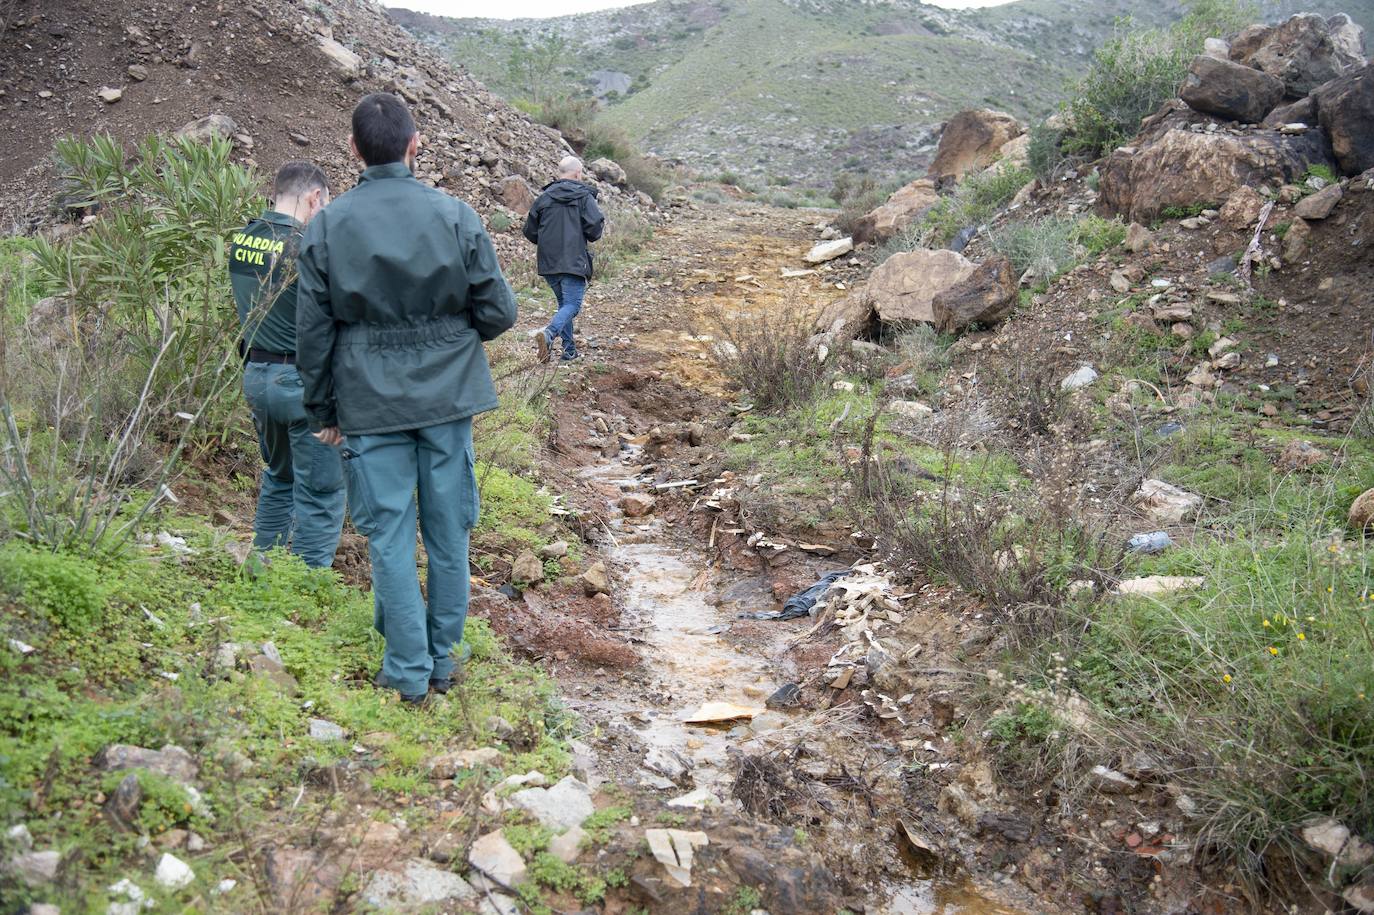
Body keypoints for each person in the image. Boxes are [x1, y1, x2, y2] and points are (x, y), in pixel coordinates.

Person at [295, 93, 518, 707]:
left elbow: (312, 333)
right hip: (448, 398)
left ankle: (406, 669)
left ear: (353, 149)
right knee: (449, 533)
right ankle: (442, 658)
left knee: (388, 534)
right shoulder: (455, 214)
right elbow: (498, 310)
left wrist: (323, 410)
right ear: (415, 144)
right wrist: (449, 342)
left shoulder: (327, 227)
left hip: (368, 403)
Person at [230, 161, 344, 569]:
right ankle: (307, 589)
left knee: (279, 479)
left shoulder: (244, 238)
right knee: (322, 493)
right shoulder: (304, 247)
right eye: (324, 205)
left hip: (256, 377)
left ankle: (262, 572)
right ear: (315, 197)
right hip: (301, 386)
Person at [522, 155, 605, 363]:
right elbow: (595, 229)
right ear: (578, 173)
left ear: (560, 173)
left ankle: (569, 351)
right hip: (573, 260)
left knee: (564, 305)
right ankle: (549, 334)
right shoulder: (583, 197)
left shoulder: (544, 198)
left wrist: (549, 243)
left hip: (549, 262)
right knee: (573, 305)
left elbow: (530, 231)